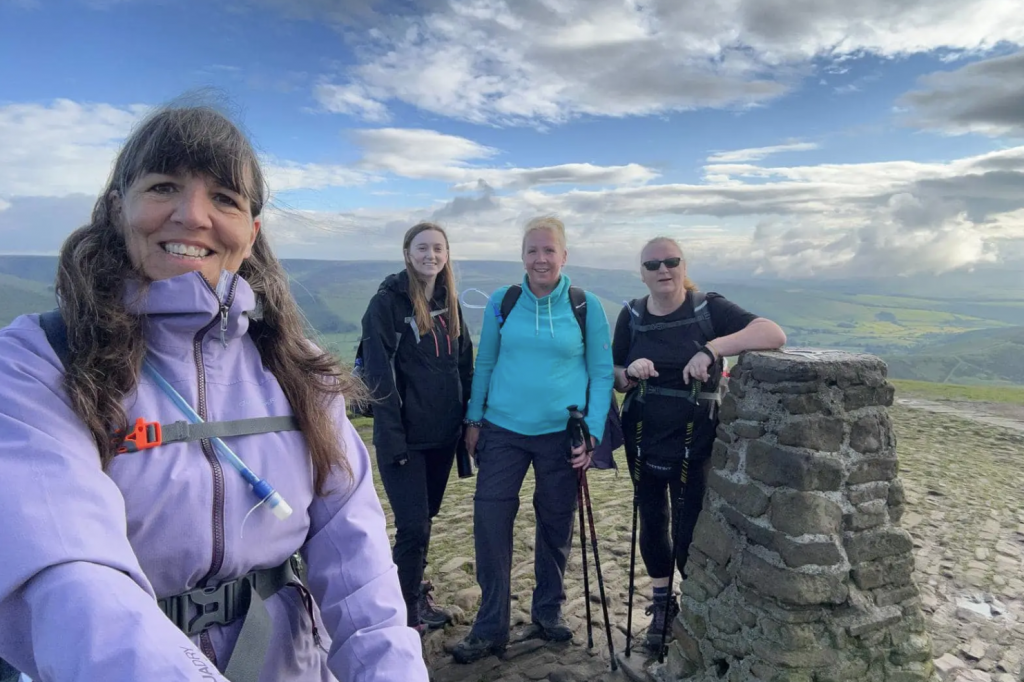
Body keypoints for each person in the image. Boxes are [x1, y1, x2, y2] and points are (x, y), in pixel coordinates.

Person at [0, 105, 428, 682]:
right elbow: (73, 582)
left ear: (251, 234)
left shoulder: (296, 367)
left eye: (225, 198)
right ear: (115, 208)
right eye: (163, 186)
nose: (192, 215)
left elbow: (358, 562)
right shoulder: (38, 361)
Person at [451, 216, 615, 664]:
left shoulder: (586, 306)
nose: (540, 259)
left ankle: (547, 612)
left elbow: (602, 375)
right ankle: (489, 628)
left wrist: (594, 432)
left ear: (564, 256)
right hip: (502, 430)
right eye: (532, 251)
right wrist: (473, 418)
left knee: (556, 525)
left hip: (562, 436)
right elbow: (485, 364)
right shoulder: (505, 301)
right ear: (522, 256)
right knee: (490, 524)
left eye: (549, 251)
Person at [613, 237, 786, 649]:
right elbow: (615, 375)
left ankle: (694, 604)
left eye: (671, 261)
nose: (662, 270)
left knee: (691, 526)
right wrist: (630, 372)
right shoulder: (632, 314)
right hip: (643, 437)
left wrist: (712, 349)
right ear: (642, 272)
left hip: (697, 439)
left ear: (683, 266)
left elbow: (772, 333)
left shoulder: (708, 308)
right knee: (652, 521)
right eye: (652, 264)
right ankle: (662, 605)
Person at [358, 222, 474, 634]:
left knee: (426, 519)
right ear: (408, 253)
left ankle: (411, 590)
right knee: (413, 527)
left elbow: (464, 365)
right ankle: (404, 611)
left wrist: (468, 423)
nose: (431, 255)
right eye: (422, 248)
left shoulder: (449, 301)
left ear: (447, 254)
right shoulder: (386, 304)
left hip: (443, 437)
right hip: (404, 439)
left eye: (438, 248)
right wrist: (392, 441)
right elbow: (378, 379)